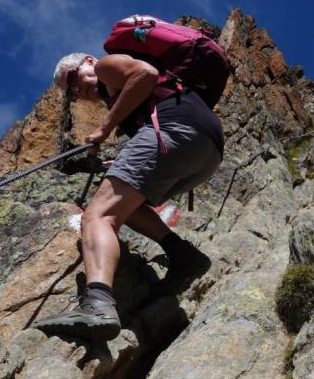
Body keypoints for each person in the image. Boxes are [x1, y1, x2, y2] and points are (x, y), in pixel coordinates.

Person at [34, 48, 224, 342]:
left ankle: (97, 304)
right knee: (126, 204)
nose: (76, 91)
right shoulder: (120, 97)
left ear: (88, 62)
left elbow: (144, 74)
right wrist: (121, 162)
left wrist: (104, 128)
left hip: (177, 131)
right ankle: (182, 255)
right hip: (207, 150)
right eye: (70, 93)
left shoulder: (106, 67)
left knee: (97, 216)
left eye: (72, 80)